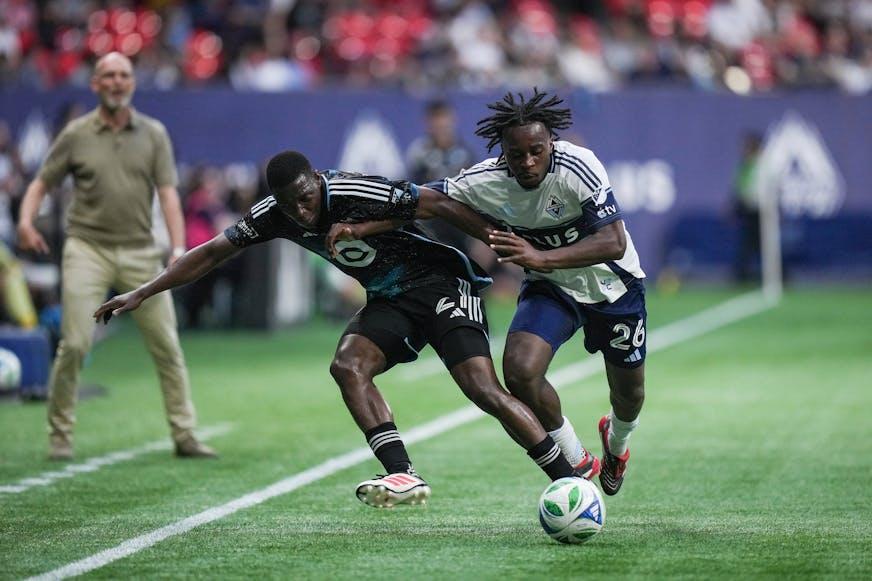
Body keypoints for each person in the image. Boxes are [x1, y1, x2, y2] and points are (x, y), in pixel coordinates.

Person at [94, 150, 591, 508]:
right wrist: (144, 291)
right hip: (391, 299)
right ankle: (401, 473)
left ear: (316, 178)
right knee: (348, 365)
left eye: (307, 198)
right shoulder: (274, 215)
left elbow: (435, 204)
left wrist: (501, 241)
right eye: (292, 207)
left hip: (440, 284)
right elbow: (212, 252)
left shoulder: (353, 189)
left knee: (481, 389)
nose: (304, 212)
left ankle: (568, 481)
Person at [330, 90, 646, 496]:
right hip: (552, 288)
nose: (529, 162)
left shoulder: (579, 166)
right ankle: (576, 459)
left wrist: (539, 256)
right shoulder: (487, 179)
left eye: (537, 150)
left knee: (629, 394)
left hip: (614, 286)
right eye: (518, 155)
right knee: (519, 370)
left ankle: (617, 447)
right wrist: (361, 228)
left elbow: (613, 241)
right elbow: (424, 201)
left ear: (551, 142)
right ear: (504, 153)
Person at [16, 52, 216, 461]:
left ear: (132, 83)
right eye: (108, 75)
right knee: (73, 344)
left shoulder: (154, 134)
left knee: (167, 345)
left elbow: (168, 196)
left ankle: (185, 434)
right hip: (86, 249)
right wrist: (25, 220)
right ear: (95, 84)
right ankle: (60, 437)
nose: (116, 81)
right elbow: (42, 182)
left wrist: (178, 249)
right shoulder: (75, 134)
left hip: (141, 253)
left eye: (123, 75)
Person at [732, 132, 763, 284]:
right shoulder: (745, 166)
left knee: (762, 245)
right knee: (747, 245)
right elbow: (740, 187)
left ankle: (781, 275)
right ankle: (742, 275)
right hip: (747, 211)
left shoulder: (763, 166)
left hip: (761, 212)